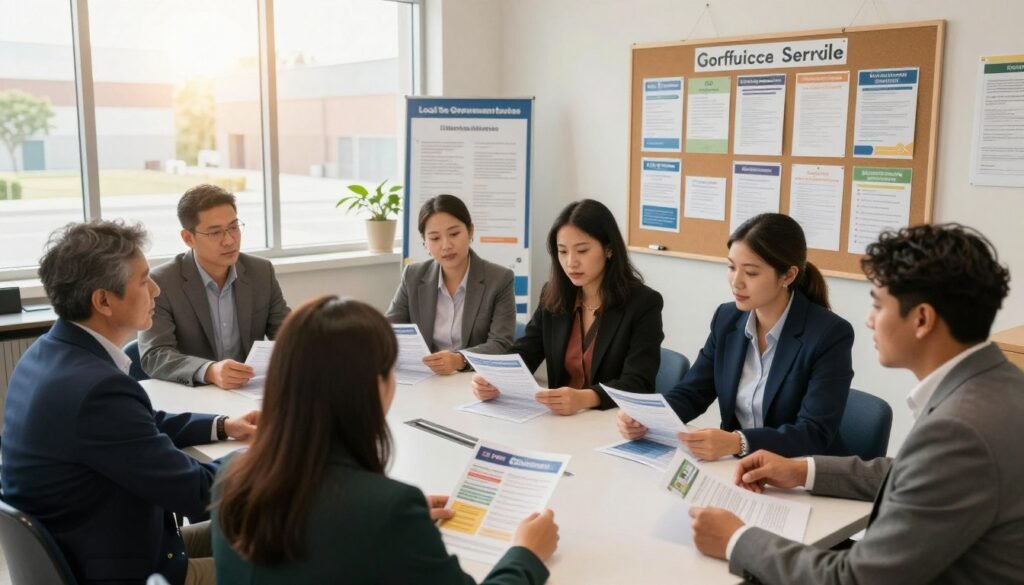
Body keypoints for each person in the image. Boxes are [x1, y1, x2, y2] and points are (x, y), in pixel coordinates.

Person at [689, 223, 1024, 584]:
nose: (869, 320)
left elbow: (856, 579)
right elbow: (911, 470)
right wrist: (803, 471)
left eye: (878, 305)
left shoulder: (959, 430)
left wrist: (737, 540)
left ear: (922, 319)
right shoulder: (998, 385)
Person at [211, 296, 559, 583]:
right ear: (375, 386)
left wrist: (398, 521)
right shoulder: (387, 511)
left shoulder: (231, 474)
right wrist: (526, 555)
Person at [1, 220, 258, 585]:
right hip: (126, 568)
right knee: (299, 562)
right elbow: (200, 494)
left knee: (268, 533)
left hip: (99, 545)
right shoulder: (96, 389)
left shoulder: (47, 354)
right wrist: (264, 454)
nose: (156, 290)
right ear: (103, 300)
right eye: (144, 280)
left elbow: (139, 424)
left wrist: (222, 426)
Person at [618, 213, 854, 459]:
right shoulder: (727, 319)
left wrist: (737, 442)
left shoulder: (829, 335)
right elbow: (693, 392)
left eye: (751, 273)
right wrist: (647, 418)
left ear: (788, 276)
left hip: (798, 475)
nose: (736, 282)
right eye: (731, 267)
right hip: (738, 469)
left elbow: (813, 432)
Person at [472, 199, 664, 415]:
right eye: (562, 251)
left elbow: (638, 382)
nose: (571, 262)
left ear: (609, 249)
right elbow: (526, 351)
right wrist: (494, 378)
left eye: (582, 251)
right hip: (560, 422)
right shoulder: (553, 294)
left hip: (612, 422)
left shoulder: (643, 303)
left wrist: (585, 398)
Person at [139, 184, 291, 388]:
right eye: (215, 233)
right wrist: (209, 371)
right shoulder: (162, 283)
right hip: (194, 396)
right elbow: (155, 355)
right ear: (188, 238)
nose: (229, 240)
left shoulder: (260, 271)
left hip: (248, 391)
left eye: (234, 228)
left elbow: (286, 332)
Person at [387, 194, 516, 374]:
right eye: (434, 238)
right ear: (425, 242)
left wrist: (459, 359)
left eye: (454, 234)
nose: (446, 245)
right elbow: (390, 330)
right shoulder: (413, 276)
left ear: (470, 232)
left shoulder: (499, 279)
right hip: (425, 378)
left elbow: (501, 343)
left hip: (474, 380)